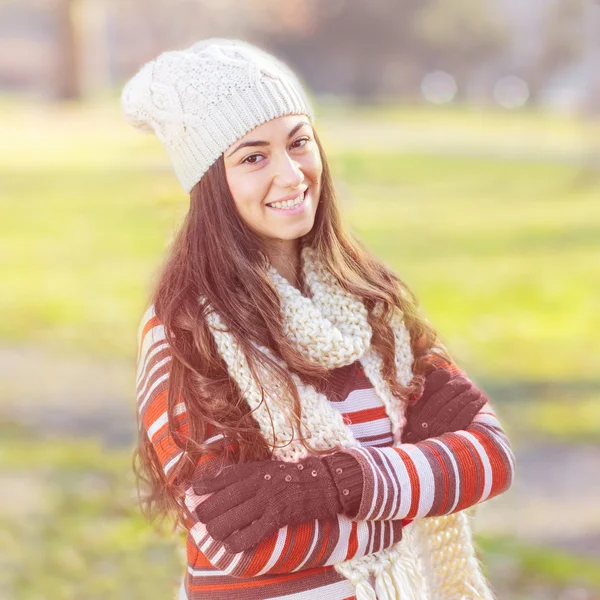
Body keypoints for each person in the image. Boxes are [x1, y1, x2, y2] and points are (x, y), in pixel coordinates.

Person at [122, 38, 515, 600]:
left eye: (299, 142)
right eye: (253, 157)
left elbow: (490, 457)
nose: (290, 174)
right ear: (210, 183)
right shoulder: (185, 331)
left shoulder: (373, 303)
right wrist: (423, 479)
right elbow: (238, 544)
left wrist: (329, 485)